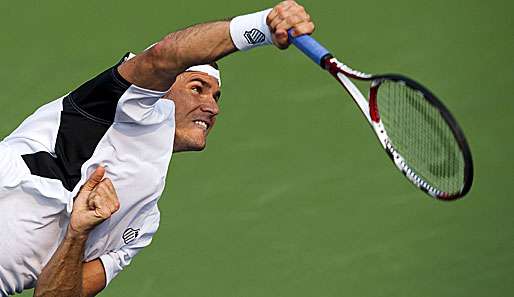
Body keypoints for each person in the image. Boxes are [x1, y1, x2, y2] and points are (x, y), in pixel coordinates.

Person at [0, 1, 315, 296]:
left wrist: (78, 233)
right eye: (197, 88)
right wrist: (261, 25)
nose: (212, 108)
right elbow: (164, 56)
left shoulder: (143, 221)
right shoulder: (110, 107)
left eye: (216, 97)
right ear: (161, 91)